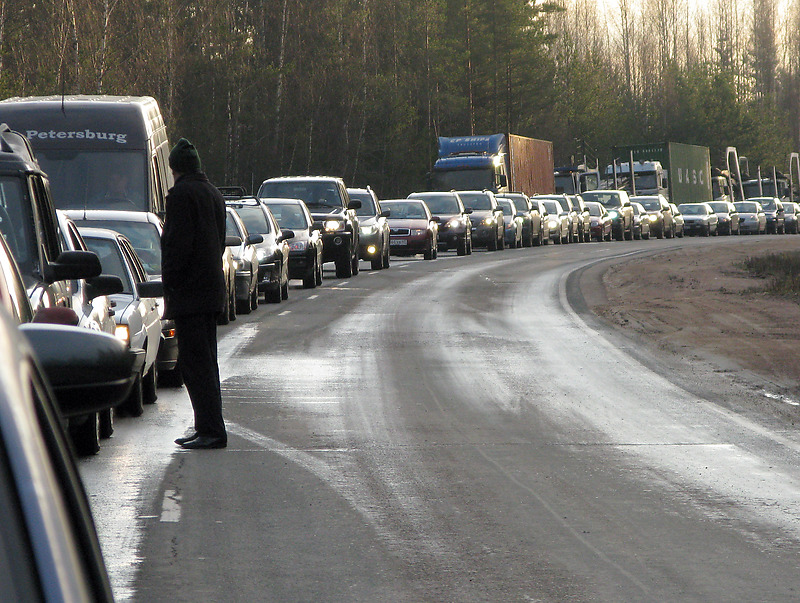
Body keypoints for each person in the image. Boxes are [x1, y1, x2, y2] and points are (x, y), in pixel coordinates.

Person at [161, 138, 228, 449]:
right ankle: (207, 427)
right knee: (206, 363)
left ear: (177, 169)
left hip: (190, 295)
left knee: (194, 365)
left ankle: (211, 430)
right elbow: (220, 242)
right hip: (211, 291)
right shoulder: (213, 194)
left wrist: (170, 283)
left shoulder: (181, 197)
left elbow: (177, 246)